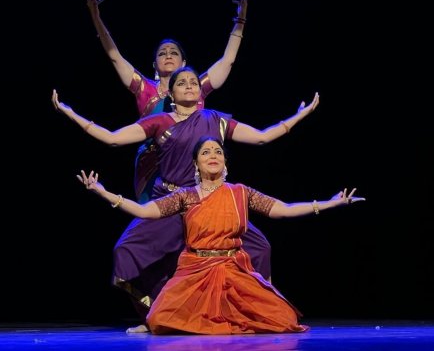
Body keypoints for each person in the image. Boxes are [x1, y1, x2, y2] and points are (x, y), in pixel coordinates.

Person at [52, 66, 320, 332]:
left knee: (260, 247)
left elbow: (261, 138)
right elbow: (112, 139)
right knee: (126, 251)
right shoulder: (160, 122)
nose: (190, 86)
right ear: (171, 91)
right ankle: (156, 316)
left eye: (194, 82)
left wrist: (300, 115)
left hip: (214, 204)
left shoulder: (215, 120)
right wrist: (70, 112)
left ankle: (247, 311)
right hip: (171, 202)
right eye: (183, 83)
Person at [76, 136, 365, 334]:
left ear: (225, 162)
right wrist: (103, 193)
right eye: (205, 152)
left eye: (218, 152)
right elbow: (145, 212)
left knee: (283, 319)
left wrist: (329, 203)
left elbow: (283, 210)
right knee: (160, 319)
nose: (212, 156)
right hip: (194, 272)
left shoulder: (240, 192)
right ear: (196, 164)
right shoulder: (186, 197)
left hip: (233, 269)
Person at [85, 0, 250, 203]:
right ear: (155, 65)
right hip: (152, 167)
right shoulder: (144, 88)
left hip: (192, 165)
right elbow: (115, 57)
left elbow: (227, 60)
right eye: (162, 53)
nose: (168, 55)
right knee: (154, 223)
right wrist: (96, 17)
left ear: (184, 63)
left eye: (174, 52)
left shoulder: (197, 87)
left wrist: (241, 18)